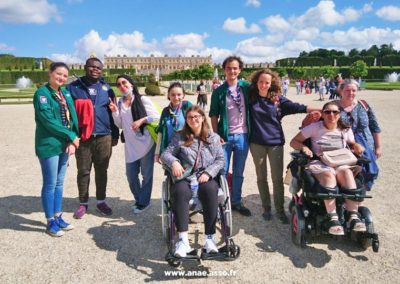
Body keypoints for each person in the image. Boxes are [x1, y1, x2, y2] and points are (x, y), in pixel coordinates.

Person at [248, 69, 321, 223]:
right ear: (256, 82)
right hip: (256, 143)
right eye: (260, 82)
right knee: (261, 177)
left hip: (275, 143)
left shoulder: (278, 100)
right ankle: (266, 207)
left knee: (276, 178)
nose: (263, 85)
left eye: (266, 82)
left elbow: (298, 107)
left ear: (271, 83)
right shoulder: (251, 97)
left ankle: (279, 209)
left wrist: (326, 110)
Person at [290, 101, 366, 235]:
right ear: (323, 114)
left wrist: (357, 146)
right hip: (320, 162)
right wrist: (304, 147)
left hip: (340, 161)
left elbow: (352, 143)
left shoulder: (345, 129)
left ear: (339, 114)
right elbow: (294, 141)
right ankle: (333, 217)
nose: (331, 114)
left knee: (347, 172)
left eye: (335, 112)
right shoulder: (314, 128)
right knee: (329, 174)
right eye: (327, 112)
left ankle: (353, 215)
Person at [161, 106, 225, 257]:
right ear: (186, 120)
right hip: (186, 176)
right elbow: (165, 154)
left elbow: (220, 159)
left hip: (205, 176)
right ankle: (183, 241)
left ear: (203, 118)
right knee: (179, 191)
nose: (193, 119)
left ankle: (210, 239)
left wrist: (209, 173)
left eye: (197, 116)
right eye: (190, 117)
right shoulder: (179, 137)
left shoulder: (213, 137)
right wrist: (175, 162)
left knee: (209, 190)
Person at [67, 57, 119, 218]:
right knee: (83, 171)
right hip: (83, 136)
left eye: (98, 67)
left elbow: (113, 112)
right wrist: (70, 136)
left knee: (102, 170)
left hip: (104, 135)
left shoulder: (106, 88)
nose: (95, 69)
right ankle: (83, 203)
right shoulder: (73, 87)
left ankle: (101, 201)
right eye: (92, 67)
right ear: (85, 67)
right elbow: (66, 114)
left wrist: (115, 134)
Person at [34, 62, 80, 237]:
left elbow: (73, 117)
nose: (61, 78)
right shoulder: (42, 94)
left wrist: (72, 139)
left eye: (64, 76)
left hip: (64, 144)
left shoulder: (65, 92)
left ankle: (58, 215)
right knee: (50, 183)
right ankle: (50, 221)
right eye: (58, 74)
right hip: (49, 144)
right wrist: (71, 136)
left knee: (59, 183)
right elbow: (48, 121)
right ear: (50, 73)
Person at [109, 75, 160, 213]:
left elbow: (157, 116)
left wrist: (142, 120)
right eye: (118, 84)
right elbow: (120, 124)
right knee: (131, 176)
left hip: (146, 143)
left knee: (146, 175)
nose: (121, 86)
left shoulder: (142, 99)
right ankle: (140, 199)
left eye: (124, 82)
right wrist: (114, 111)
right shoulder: (120, 102)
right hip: (130, 145)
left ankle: (144, 202)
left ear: (131, 83)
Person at [209, 55, 252, 216]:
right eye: (228, 68)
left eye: (235, 68)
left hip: (243, 136)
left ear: (239, 70)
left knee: (239, 171)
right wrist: (216, 135)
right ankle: (221, 202)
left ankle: (236, 201)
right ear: (224, 70)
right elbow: (214, 115)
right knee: (222, 170)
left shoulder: (246, 88)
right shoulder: (219, 91)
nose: (232, 71)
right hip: (225, 136)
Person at [338, 80, 382, 190]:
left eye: (353, 90)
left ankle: (358, 199)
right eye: (347, 90)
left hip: (367, 146)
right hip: (345, 147)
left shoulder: (364, 105)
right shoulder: (334, 107)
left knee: (366, 173)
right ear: (340, 91)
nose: (351, 93)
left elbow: (374, 127)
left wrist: (378, 147)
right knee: (348, 175)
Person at [155, 82, 192, 163]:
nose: (176, 97)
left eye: (179, 94)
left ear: (183, 95)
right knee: (171, 174)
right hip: (169, 150)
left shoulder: (187, 106)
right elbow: (160, 132)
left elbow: (198, 125)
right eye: (173, 95)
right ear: (168, 95)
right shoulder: (165, 111)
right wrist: (157, 153)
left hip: (186, 149)